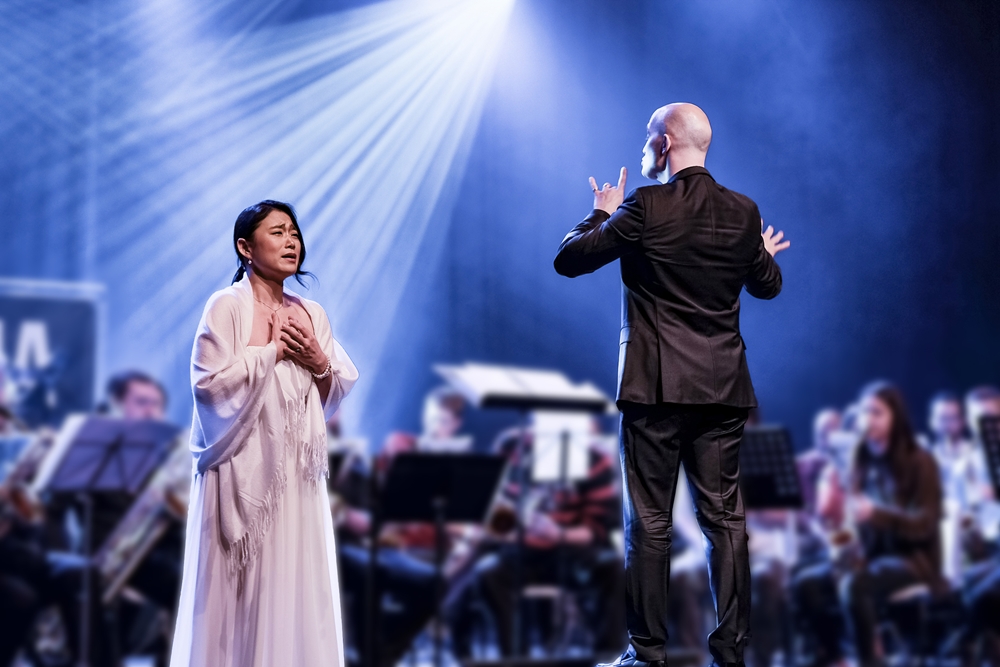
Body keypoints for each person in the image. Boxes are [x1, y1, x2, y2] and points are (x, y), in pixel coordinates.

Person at [553, 102, 789, 667]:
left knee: (651, 521)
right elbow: (770, 285)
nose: (642, 148)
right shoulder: (742, 211)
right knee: (725, 519)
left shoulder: (644, 207)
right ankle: (730, 652)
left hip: (655, 389)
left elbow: (569, 260)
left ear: (663, 146)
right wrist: (758, 251)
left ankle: (648, 654)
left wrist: (599, 213)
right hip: (724, 388)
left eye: (645, 138)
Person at [169, 200, 359, 667]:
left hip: (295, 477)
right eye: (277, 232)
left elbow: (334, 384)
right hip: (239, 470)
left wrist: (318, 361)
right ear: (245, 247)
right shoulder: (227, 305)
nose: (291, 241)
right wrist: (271, 351)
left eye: (294, 232)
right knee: (235, 595)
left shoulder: (311, 312)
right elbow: (208, 387)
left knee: (294, 586)